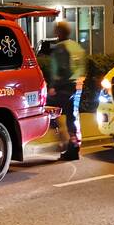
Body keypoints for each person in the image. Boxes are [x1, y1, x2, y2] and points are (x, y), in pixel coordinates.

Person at [48, 20, 86, 161]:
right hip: (77, 86)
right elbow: (82, 68)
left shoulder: (61, 48)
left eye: (56, 30)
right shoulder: (76, 47)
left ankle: (61, 137)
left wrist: (54, 86)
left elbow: (63, 69)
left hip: (64, 87)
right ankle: (74, 147)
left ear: (59, 32)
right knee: (73, 117)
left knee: (46, 108)